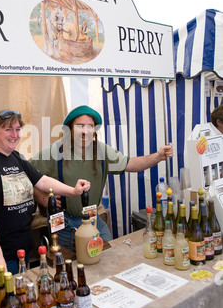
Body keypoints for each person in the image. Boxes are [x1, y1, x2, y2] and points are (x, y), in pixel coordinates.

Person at [30, 105, 173, 250]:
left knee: (107, 255)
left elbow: (130, 164)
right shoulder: (54, 152)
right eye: (80, 126)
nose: (85, 131)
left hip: (93, 218)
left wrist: (158, 156)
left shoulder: (101, 150)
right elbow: (26, 176)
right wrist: (43, 199)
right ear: (69, 129)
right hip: (65, 223)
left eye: (90, 126)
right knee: (71, 266)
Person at [0, 109, 90, 276]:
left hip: (21, 248)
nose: (15, 134)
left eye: (18, 129)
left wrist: (73, 191)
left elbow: (43, 181)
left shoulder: (17, 157)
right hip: (2, 253)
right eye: (8, 129)